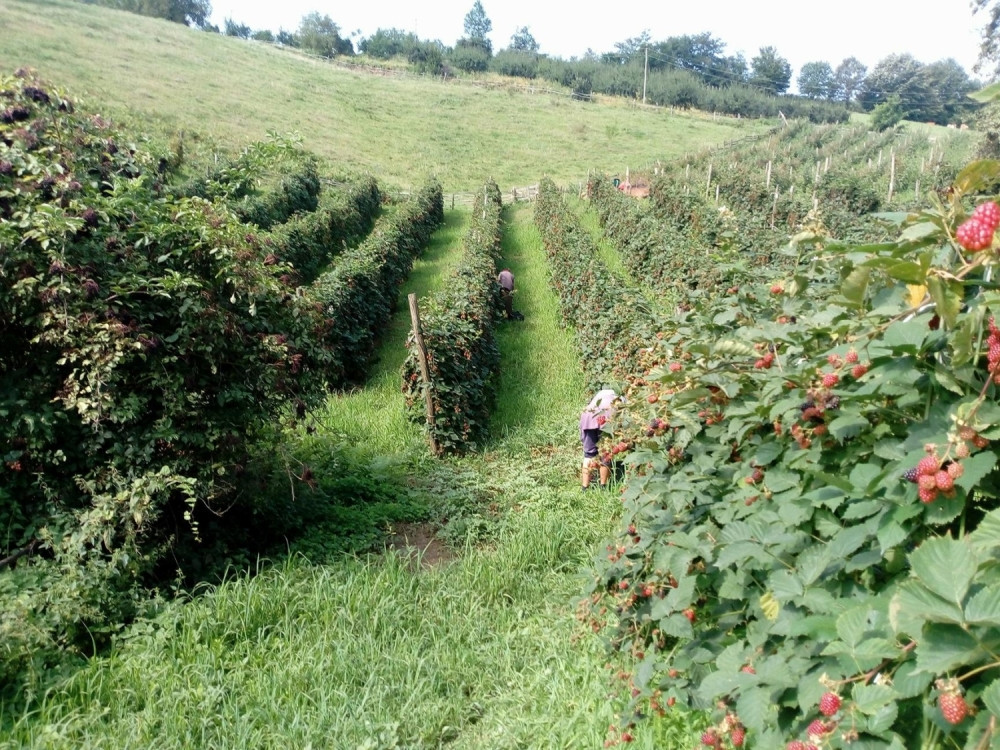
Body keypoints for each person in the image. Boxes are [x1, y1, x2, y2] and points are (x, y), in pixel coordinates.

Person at [579, 388, 617, 490]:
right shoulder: (618, 399)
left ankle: (584, 487)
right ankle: (603, 486)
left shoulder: (596, 399)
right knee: (605, 453)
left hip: (587, 417)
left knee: (589, 454)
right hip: (605, 419)